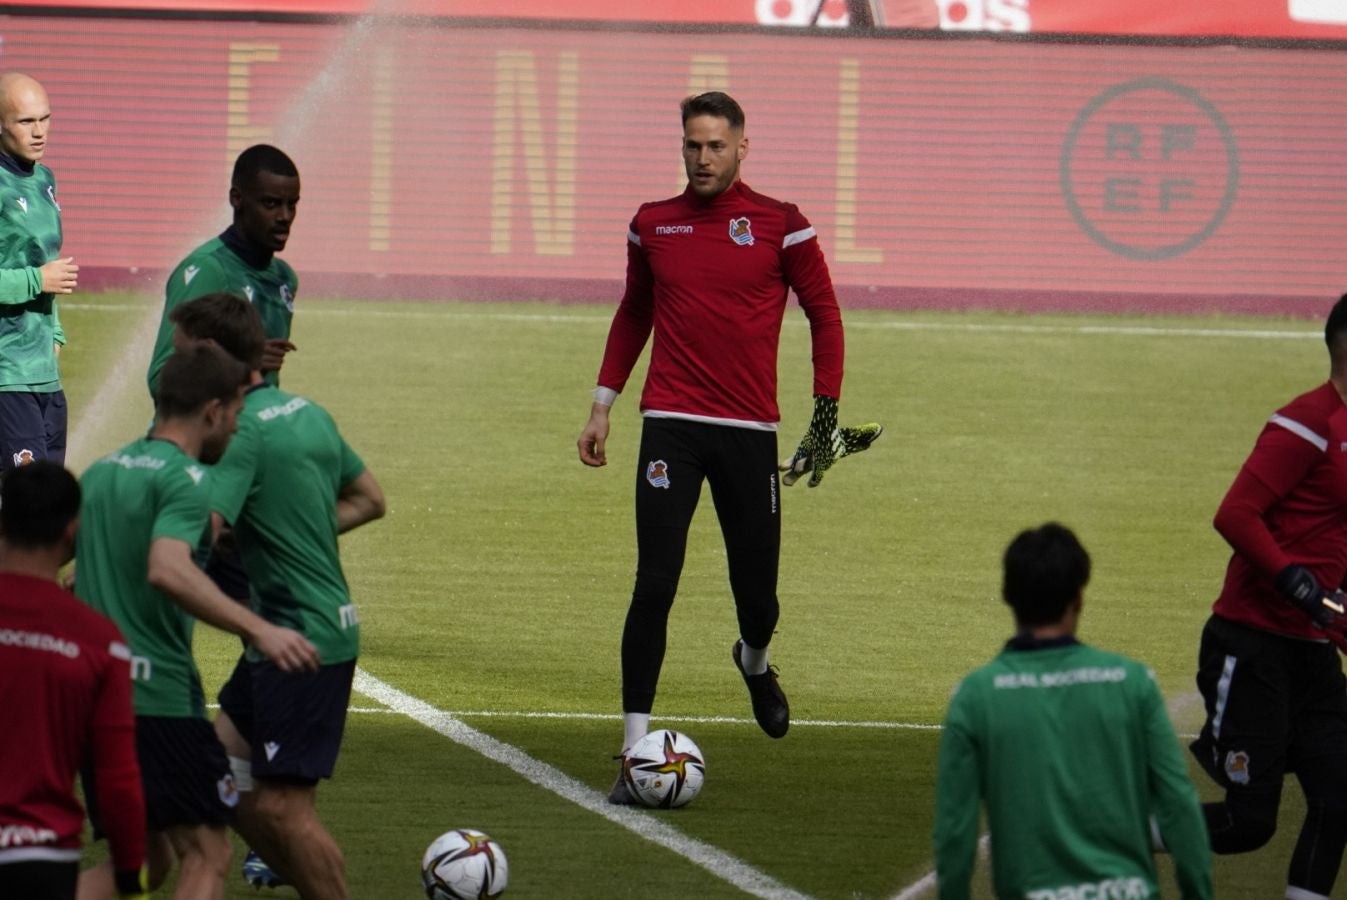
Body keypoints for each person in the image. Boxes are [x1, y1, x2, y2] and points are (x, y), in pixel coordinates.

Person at [575, 91, 880, 804]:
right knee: (654, 584)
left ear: (742, 147)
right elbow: (634, 311)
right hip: (670, 427)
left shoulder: (782, 224)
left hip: (748, 432)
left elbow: (825, 316)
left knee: (757, 596)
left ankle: (753, 660)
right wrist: (602, 405)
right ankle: (630, 752)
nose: (702, 157)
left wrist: (822, 415)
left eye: (714, 145)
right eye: (691, 145)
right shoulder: (652, 224)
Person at [73, 343, 319, 900]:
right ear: (212, 410)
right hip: (157, 701)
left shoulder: (103, 473)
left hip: (97, 705)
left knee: (140, 865)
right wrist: (260, 628)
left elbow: (53, 565)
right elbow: (167, 567)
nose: (238, 425)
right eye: (235, 411)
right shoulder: (187, 482)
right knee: (208, 852)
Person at [171, 291, 384, 900]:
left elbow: (196, 537)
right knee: (216, 774)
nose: (175, 366)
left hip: (302, 641)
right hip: (302, 631)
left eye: (184, 354)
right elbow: (370, 499)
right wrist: (288, 531)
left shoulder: (239, 435)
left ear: (212, 355)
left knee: (287, 813)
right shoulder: (307, 412)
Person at [933, 523, 1212, 900]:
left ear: (1008, 596)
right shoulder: (1133, 683)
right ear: (1079, 597)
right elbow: (1178, 802)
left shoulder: (976, 697)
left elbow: (955, 830)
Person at [1190, 292, 1347, 900]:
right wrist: (1304, 589)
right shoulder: (1308, 422)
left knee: (1339, 801)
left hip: (1312, 656)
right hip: (1252, 647)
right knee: (1247, 824)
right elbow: (1235, 514)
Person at [0, 462, 148, 900]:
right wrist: (128, 872)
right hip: (40, 857)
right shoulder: (100, 641)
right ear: (72, 532)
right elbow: (117, 775)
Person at [146, 143, 300, 397]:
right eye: (270, 204)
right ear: (236, 199)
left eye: (291, 204)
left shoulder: (284, 278)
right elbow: (161, 379)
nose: (284, 216)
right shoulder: (208, 270)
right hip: (204, 436)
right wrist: (243, 365)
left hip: (247, 433)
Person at [0, 72, 78, 471]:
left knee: (47, 502)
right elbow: (39, 274)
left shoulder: (45, 179)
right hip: (6, 374)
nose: (39, 132)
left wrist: (57, 334)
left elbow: (45, 261)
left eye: (44, 119)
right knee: (22, 505)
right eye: (26, 122)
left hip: (44, 372)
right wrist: (36, 281)